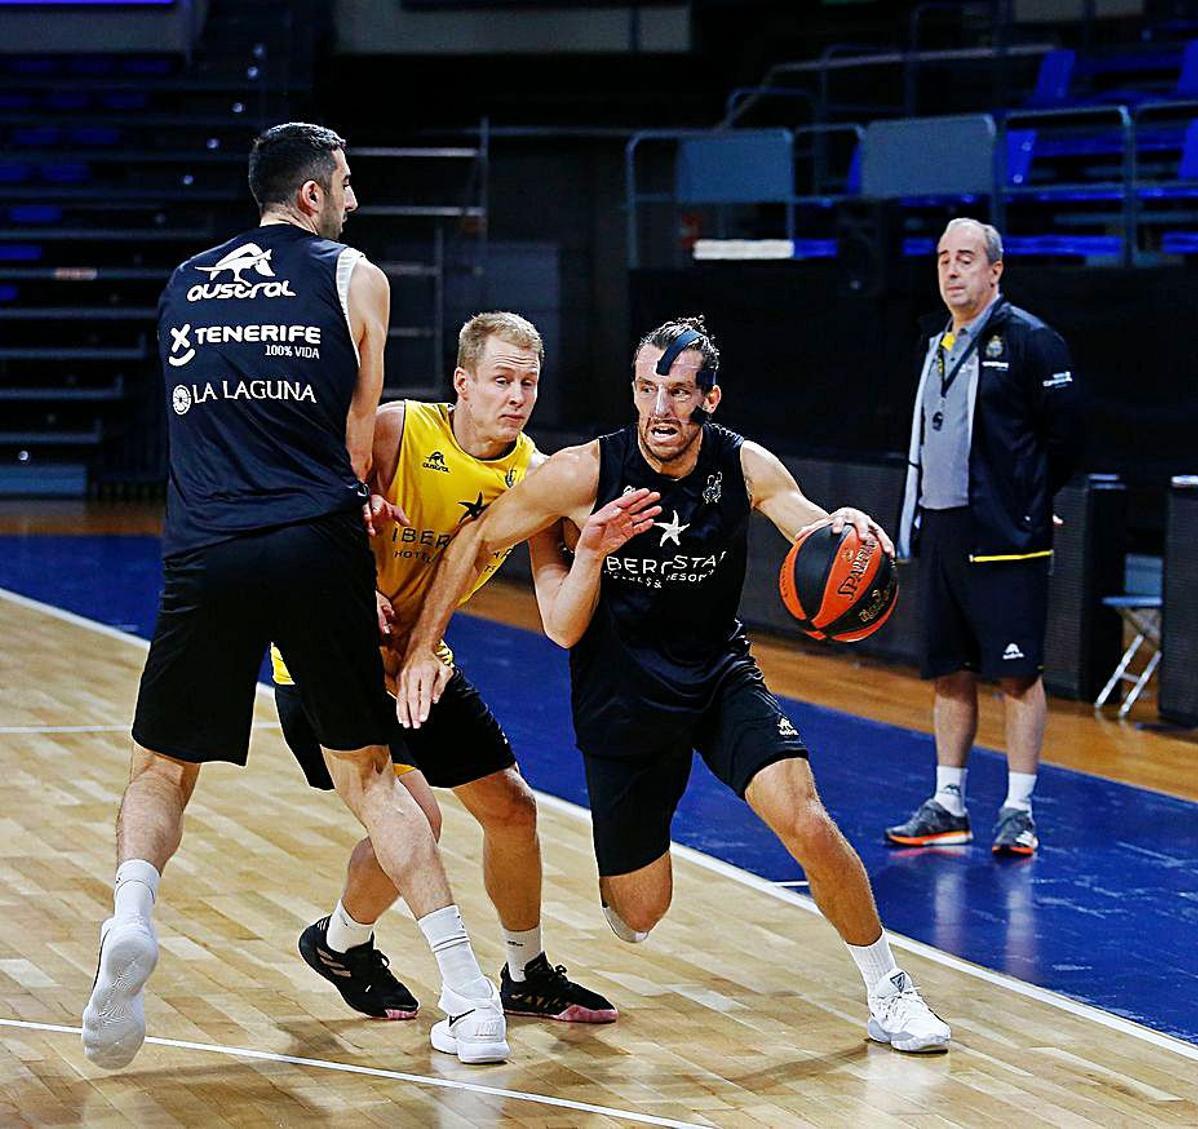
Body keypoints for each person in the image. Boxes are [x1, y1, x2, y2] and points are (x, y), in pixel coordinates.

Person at [398, 315, 952, 1054]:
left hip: (718, 676)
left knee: (807, 819)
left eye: (680, 392)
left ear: (709, 398)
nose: (661, 408)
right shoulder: (583, 472)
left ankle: (890, 991)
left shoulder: (744, 465)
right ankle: (627, 869)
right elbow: (473, 539)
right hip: (622, 698)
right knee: (640, 914)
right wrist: (423, 645)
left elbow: (815, 534)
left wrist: (844, 527)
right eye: (647, 389)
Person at [82, 122, 508, 1071]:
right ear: (311, 195)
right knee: (373, 778)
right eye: (345, 183)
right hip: (315, 542)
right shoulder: (356, 276)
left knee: (161, 769)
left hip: (208, 544)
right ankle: (471, 997)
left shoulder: (184, 281)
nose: (353, 198)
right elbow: (357, 442)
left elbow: (200, 420)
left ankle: (132, 914)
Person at [271, 311, 617, 1025]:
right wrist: (347, 587)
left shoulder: (537, 477)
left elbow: (555, 598)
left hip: (420, 661)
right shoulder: (395, 430)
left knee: (512, 808)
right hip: (326, 658)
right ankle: (351, 945)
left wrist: (595, 560)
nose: (516, 397)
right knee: (418, 817)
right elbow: (299, 506)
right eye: (500, 380)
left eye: (528, 383)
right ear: (462, 382)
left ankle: (523, 971)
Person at [887, 218, 1084, 857]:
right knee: (949, 671)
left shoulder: (1032, 341)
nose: (952, 269)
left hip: (1005, 535)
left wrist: (1032, 501)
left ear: (996, 270)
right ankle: (948, 802)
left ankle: (1018, 809)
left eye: (966, 258)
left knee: (1017, 675)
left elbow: (1066, 438)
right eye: (943, 258)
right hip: (942, 527)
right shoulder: (936, 342)